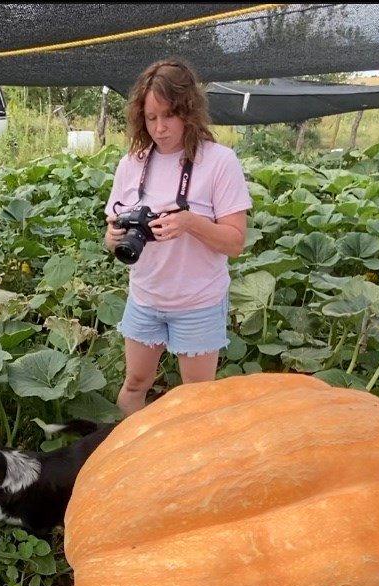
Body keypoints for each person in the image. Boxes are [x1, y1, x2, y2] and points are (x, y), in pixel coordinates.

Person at [104, 59, 252, 416]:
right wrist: (112, 237)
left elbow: (235, 242)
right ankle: (132, 457)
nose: (160, 128)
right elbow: (112, 232)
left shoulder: (219, 162)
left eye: (168, 115)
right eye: (151, 118)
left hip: (198, 301)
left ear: (189, 111)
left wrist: (189, 222)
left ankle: (194, 469)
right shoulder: (131, 163)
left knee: (198, 401)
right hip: (145, 297)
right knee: (135, 384)